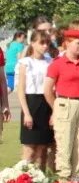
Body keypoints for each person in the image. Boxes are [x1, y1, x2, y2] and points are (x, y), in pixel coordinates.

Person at [44, 27, 79, 180]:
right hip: (65, 103)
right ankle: (64, 180)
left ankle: (77, 179)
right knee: (64, 145)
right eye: (78, 43)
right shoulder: (57, 63)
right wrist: (56, 108)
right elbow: (47, 90)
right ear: (67, 43)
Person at [16, 32, 53, 171]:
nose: (45, 46)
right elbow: (21, 90)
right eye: (41, 43)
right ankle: (22, 181)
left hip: (46, 103)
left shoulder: (50, 62)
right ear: (32, 43)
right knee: (29, 149)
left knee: (42, 150)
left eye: (47, 43)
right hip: (31, 103)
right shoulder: (25, 63)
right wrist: (26, 113)